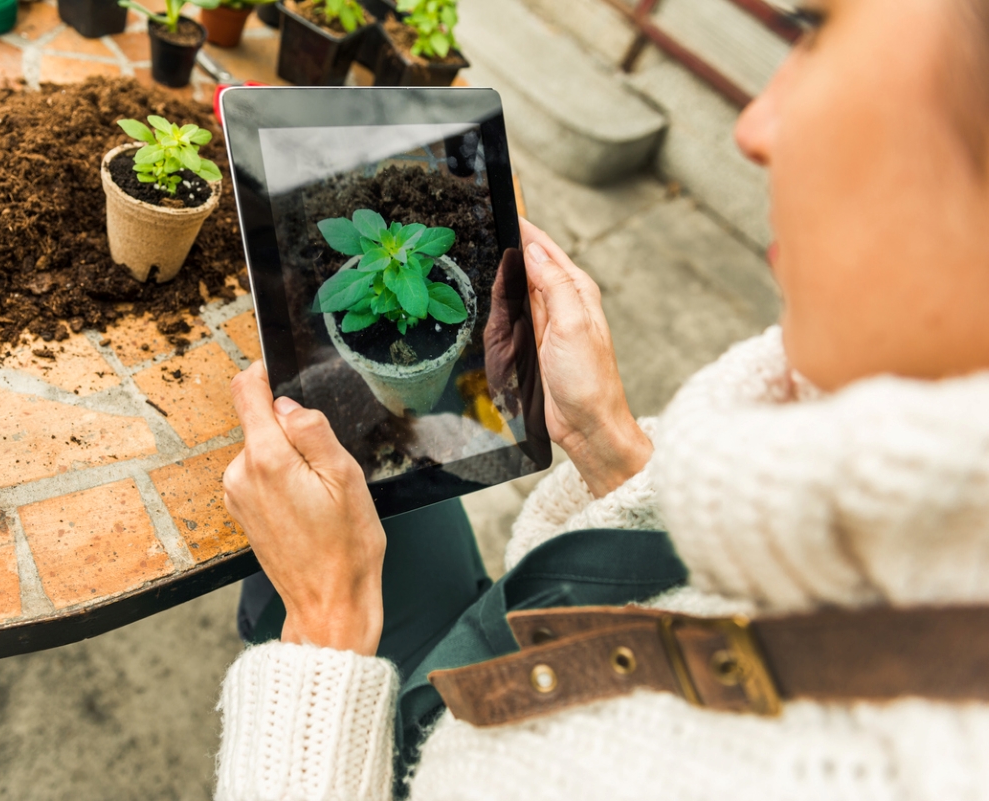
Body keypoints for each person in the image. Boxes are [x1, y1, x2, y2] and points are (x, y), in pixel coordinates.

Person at [214, 0, 989, 797]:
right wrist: (608, 445)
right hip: (504, 654)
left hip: (403, 741)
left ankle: (271, 628)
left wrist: (325, 626)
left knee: (314, 508)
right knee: (376, 480)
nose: (754, 126)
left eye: (816, 31)